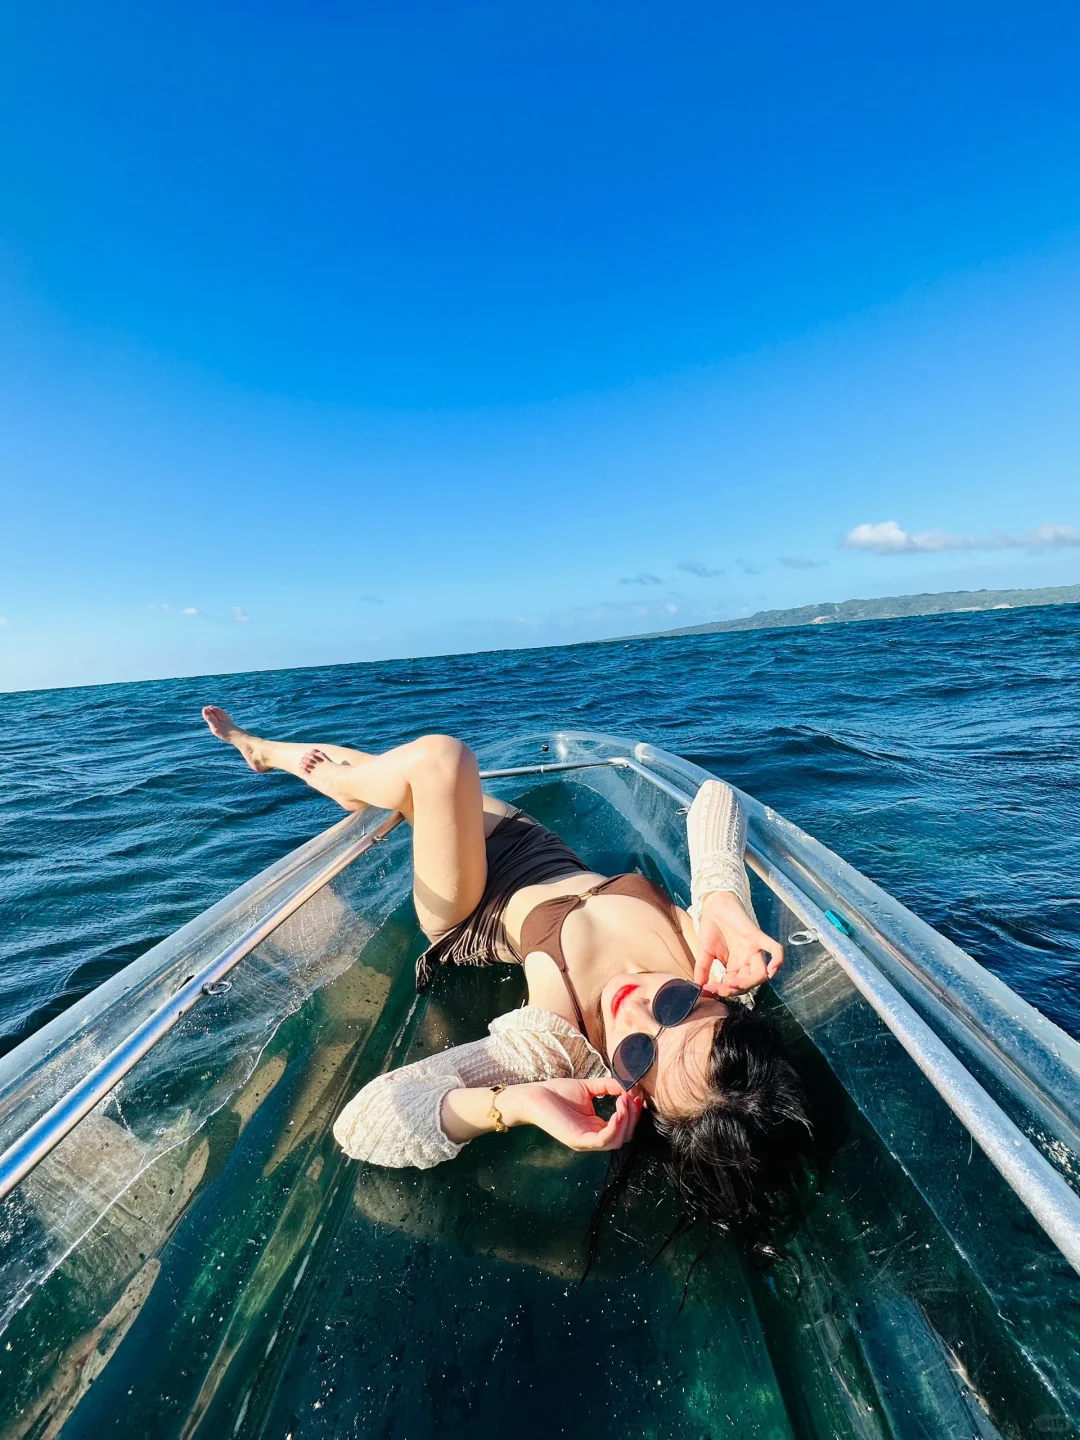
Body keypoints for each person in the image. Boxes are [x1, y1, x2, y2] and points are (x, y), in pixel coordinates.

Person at [203, 707, 811, 1257]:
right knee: (401, 780)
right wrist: (724, 897)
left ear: (630, 1089)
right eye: (677, 1005)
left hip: (472, 909)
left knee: (439, 762)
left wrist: (513, 1105)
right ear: (717, 1003)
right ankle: (270, 753)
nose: (637, 1011)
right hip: (534, 847)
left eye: (636, 1051)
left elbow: (360, 1123)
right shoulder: (717, 962)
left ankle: (327, 778)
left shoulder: (557, 1042)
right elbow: (713, 798)